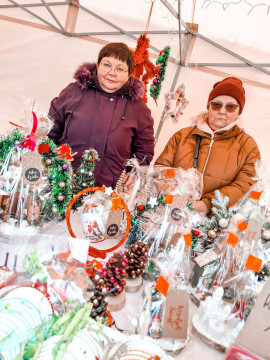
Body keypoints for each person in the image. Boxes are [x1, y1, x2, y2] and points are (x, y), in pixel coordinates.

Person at [48, 42, 155, 188]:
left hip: (106, 192)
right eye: (107, 65)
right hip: (62, 183)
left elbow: (144, 150)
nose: (112, 72)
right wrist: (47, 160)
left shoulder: (138, 108)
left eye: (120, 69)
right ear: (98, 65)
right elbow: (50, 131)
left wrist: (136, 171)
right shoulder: (74, 92)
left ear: (129, 74)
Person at [155, 77, 260, 214]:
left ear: (238, 111)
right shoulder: (182, 136)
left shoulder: (247, 146)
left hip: (213, 223)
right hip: (171, 211)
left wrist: (208, 204)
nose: (222, 111)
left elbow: (245, 185)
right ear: (209, 106)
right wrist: (167, 184)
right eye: (217, 105)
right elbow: (161, 167)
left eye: (230, 107)